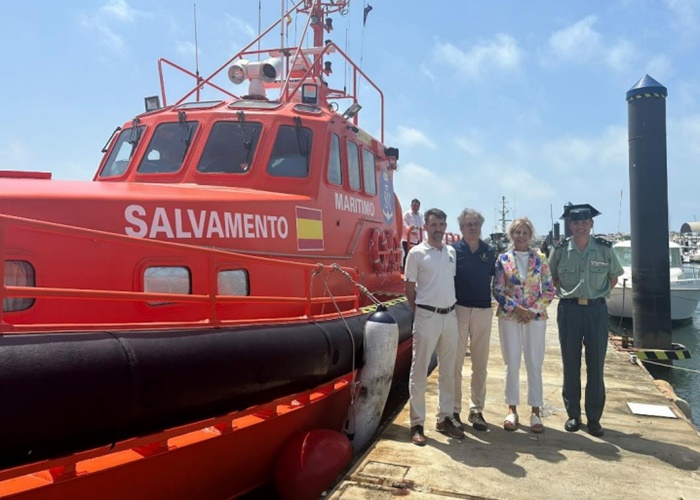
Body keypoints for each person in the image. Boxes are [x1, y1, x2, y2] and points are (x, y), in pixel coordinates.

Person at [548, 204, 623, 437]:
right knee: (570, 363)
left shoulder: (604, 249)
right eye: (576, 223)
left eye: (584, 222)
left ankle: (594, 418)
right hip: (569, 310)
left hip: (596, 312)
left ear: (591, 224)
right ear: (570, 226)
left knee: (596, 364)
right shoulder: (560, 250)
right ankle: (573, 415)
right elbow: (552, 277)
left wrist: (595, 295)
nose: (580, 226)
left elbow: (613, 277)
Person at [405, 208, 464, 445]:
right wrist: (419, 311)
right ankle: (417, 423)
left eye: (442, 224)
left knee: (448, 371)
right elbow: (409, 287)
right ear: (425, 227)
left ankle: (444, 417)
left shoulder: (451, 252)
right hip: (427, 316)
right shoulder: (416, 254)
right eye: (434, 224)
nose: (438, 228)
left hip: (450, 316)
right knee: (419, 372)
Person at [492, 218, 555, 432]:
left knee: (534, 362)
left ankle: (536, 411)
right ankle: (512, 409)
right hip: (510, 316)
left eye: (525, 232)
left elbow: (548, 289)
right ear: (511, 234)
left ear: (530, 235)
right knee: (512, 362)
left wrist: (532, 310)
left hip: (535, 318)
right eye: (517, 232)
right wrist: (516, 309)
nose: (521, 236)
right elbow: (498, 289)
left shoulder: (541, 259)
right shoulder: (503, 259)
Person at [452, 208, 496, 432]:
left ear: (481, 227)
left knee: (480, 363)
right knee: (455, 363)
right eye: (468, 224)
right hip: (458, 309)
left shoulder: (490, 252)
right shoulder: (452, 251)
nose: (473, 227)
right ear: (461, 228)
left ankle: (476, 409)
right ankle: (454, 409)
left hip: (482, 310)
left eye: (476, 224)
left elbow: (496, 282)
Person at [402, 199, 423, 272]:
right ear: (411, 205)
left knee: (417, 257)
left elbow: (422, 227)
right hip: (407, 239)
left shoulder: (420, 216)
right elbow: (403, 224)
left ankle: (415, 271)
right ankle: (405, 271)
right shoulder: (406, 214)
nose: (416, 207)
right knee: (408, 255)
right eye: (414, 206)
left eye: (417, 206)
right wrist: (410, 230)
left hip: (417, 240)